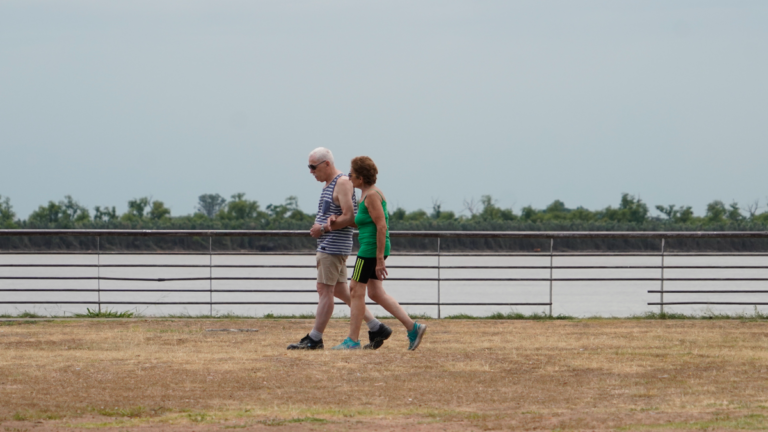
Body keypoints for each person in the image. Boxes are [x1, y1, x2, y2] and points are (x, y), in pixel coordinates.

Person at [287, 148, 390, 350]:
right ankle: (376, 327)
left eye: (313, 167)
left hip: (333, 246)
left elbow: (350, 217)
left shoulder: (342, 182)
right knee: (343, 292)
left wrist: (324, 227)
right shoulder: (329, 184)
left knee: (324, 290)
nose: (311, 171)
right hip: (331, 245)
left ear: (326, 164)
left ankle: (315, 339)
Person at [330, 156, 427, 351]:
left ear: (361, 178)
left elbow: (381, 226)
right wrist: (336, 221)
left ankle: (352, 340)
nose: (349, 177)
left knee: (355, 290)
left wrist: (380, 259)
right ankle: (413, 327)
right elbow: (363, 222)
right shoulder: (366, 194)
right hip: (372, 249)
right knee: (374, 292)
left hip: (370, 251)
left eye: (351, 174)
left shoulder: (372, 195)